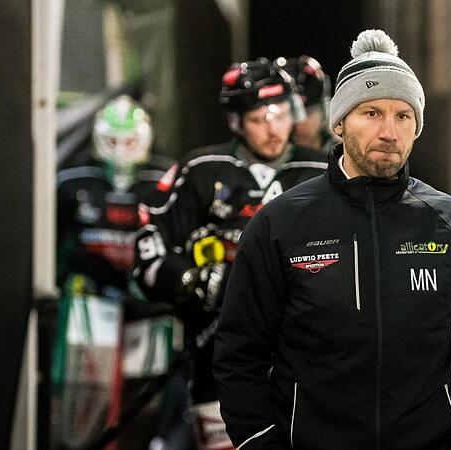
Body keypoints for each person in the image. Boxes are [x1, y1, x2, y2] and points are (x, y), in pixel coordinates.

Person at [213, 30, 451, 450]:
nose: (389, 131)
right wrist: (262, 443)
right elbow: (238, 352)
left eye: (402, 116)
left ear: (416, 127)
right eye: (371, 113)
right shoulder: (280, 225)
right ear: (339, 122)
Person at [133, 57, 328, 450]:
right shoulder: (200, 170)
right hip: (219, 355)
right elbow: (148, 247)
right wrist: (191, 279)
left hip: (314, 358)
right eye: (258, 118)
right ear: (237, 122)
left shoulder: (326, 170)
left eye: (281, 114)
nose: (273, 128)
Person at [57, 95, 172, 298]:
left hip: (147, 296)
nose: (120, 149)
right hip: (87, 292)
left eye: (129, 141)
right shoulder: (70, 179)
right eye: (113, 141)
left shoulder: (165, 180)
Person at [275, 55, 339, 153]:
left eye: (308, 113)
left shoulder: (346, 153)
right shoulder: (267, 156)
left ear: (324, 110)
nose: (300, 123)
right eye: (292, 113)